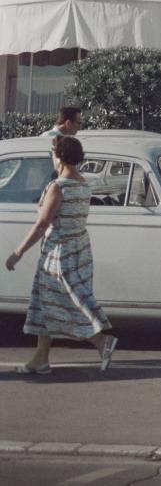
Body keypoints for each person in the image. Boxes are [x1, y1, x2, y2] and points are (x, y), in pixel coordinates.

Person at [4, 135, 117, 375]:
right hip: (79, 250)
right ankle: (40, 359)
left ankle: (101, 341)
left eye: (53, 153)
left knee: (65, 300)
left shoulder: (58, 186)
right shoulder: (83, 184)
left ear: (60, 157)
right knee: (46, 301)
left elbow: (42, 223)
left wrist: (18, 252)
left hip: (59, 253)